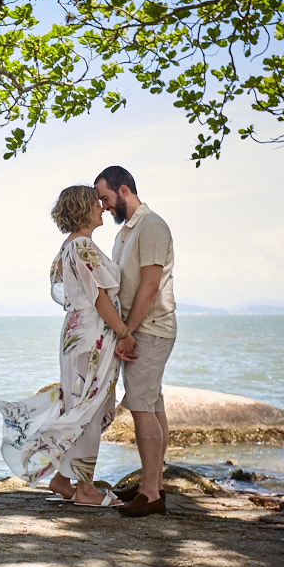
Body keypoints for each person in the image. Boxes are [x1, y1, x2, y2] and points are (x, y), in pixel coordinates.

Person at [0, 185, 136, 507]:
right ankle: (85, 489)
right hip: (93, 334)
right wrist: (124, 332)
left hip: (78, 333)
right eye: (96, 204)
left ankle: (62, 479)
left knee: (79, 404)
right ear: (83, 209)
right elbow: (99, 297)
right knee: (89, 407)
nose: (102, 208)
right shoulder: (82, 245)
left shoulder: (68, 246)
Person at [94, 166, 176, 517]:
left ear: (124, 190)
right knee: (153, 406)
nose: (104, 206)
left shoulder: (152, 226)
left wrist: (127, 332)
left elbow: (150, 285)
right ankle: (153, 485)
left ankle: (151, 495)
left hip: (149, 328)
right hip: (139, 327)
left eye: (105, 198)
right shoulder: (125, 233)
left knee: (142, 407)